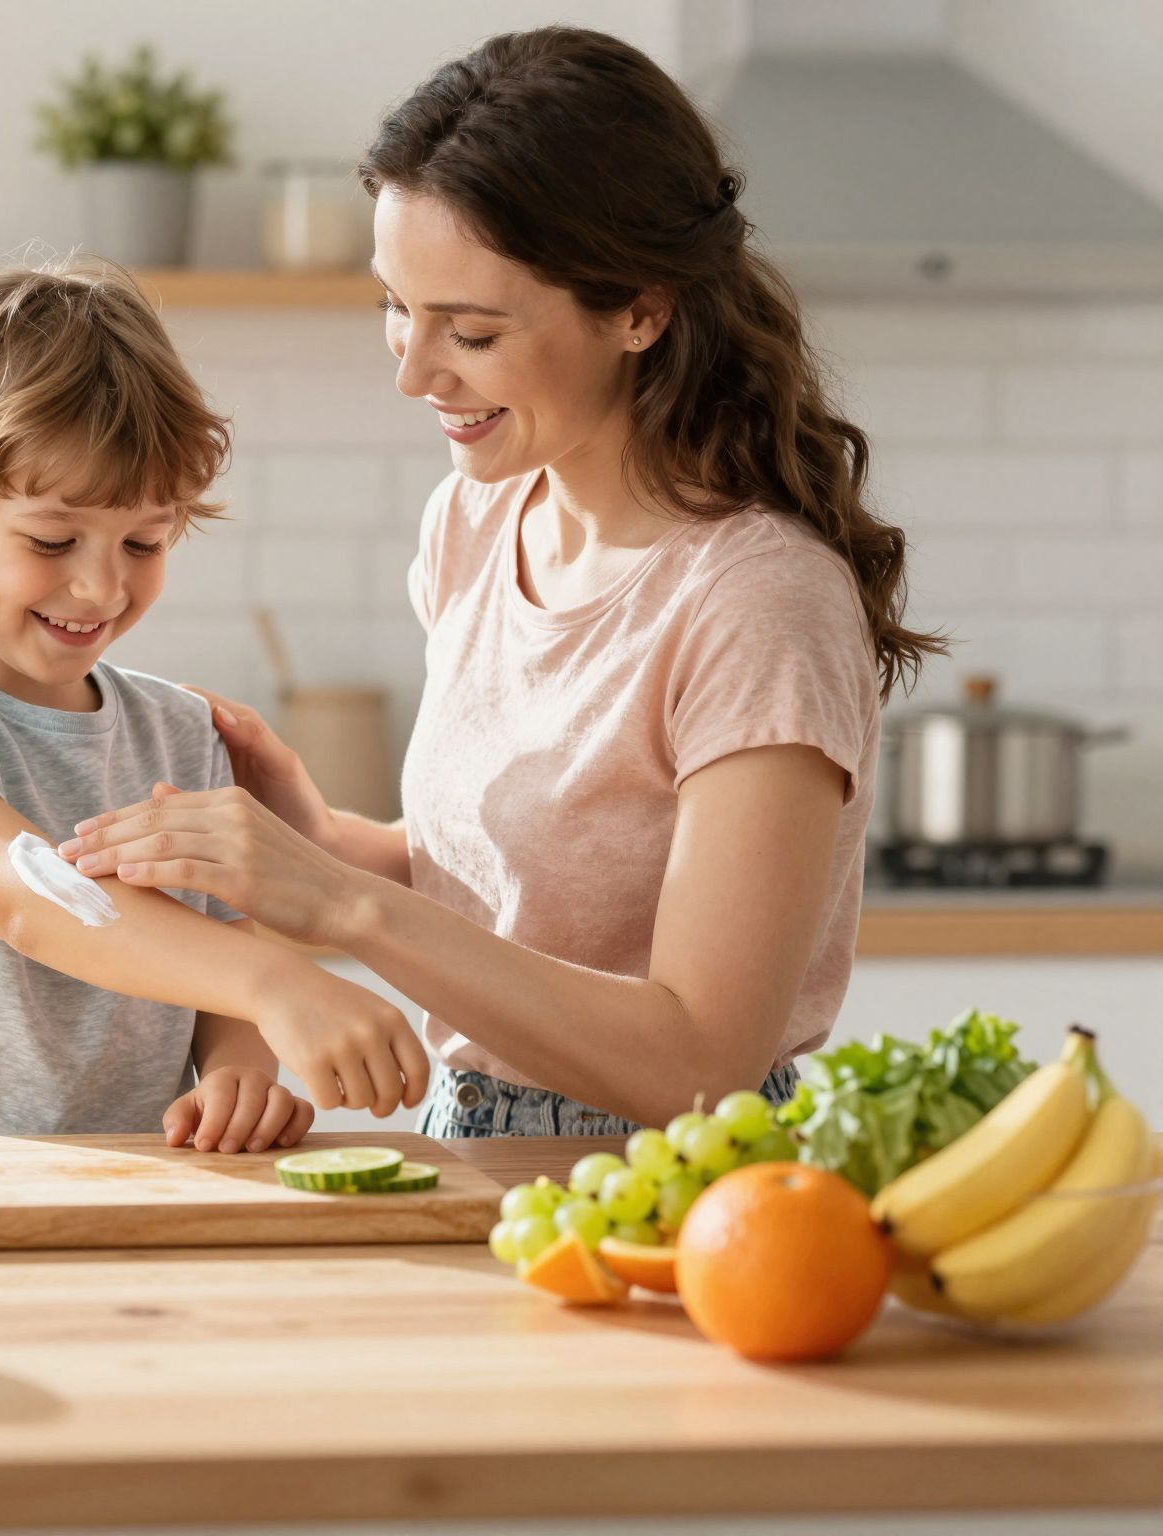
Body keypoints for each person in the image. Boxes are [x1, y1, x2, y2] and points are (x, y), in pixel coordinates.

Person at [58, 28, 941, 1137]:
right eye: (392, 305)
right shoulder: (475, 518)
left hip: (678, 1188)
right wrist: (325, 843)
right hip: (473, 1147)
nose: (412, 372)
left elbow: (700, 1064)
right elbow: (530, 904)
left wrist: (340, 901)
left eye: (468, 331)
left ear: (639, 310)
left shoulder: (754, 604)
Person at [0, 260, 430, 1145]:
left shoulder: (179, 732)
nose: (100, 585)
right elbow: (29, 900)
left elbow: (221, 955)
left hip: (143, 1178)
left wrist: (238, 1076)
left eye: (145, 540)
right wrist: (280, 982)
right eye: (53, 539)